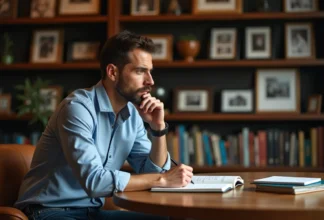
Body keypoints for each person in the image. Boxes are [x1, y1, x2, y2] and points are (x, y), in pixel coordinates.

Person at [14, 30, 194, 220]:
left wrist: (158, 129)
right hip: (49, 211)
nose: (150, 81)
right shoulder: (77, 108)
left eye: (150, 72)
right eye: (140, 71)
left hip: (92, 213)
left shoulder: (133, 114)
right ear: (113, 72)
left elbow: (152, 173)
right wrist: (164, 179)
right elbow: (95, 182)